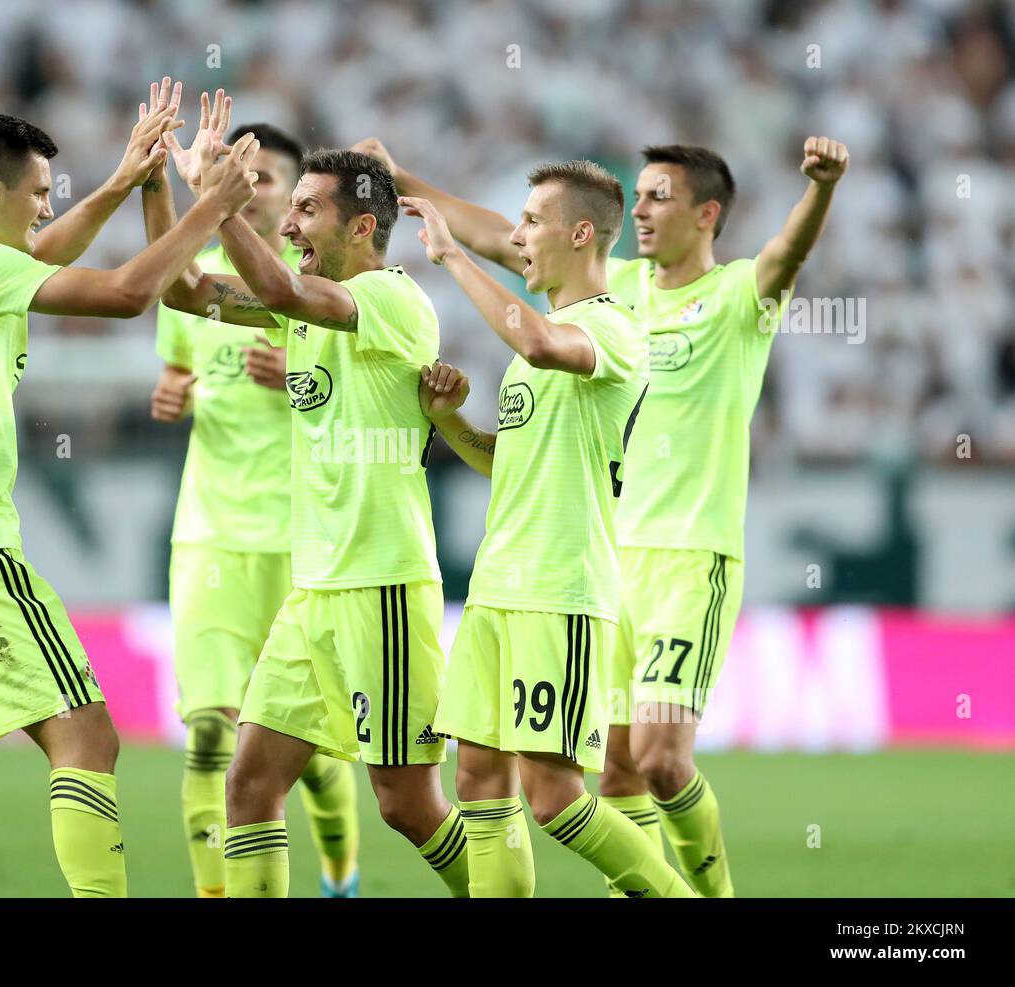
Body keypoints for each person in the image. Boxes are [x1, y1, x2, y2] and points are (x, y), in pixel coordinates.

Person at [355, 133, 849, 897]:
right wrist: (397, 179)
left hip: (682, 553)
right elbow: (506, 237)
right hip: (597, 559)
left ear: (708, 213)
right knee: (573, 770)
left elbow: (787, 253)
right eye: (640, 194)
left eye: (661, 195)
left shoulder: (711, 300)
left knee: (649, 762)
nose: (644, 207)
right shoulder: (615, 287)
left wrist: (819, 188)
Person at [0, 79, 258, 897]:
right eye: (39, 193)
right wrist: (209, 207)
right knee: (88, 737)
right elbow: (127, 293)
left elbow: (39, 257)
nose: (46, 209)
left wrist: (121, 181)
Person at [143, 109, 468, 898]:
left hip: (380, 585)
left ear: (362, 227)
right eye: (289, 209)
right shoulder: (304, 305)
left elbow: (281, 285)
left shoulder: (392, 301)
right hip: (312, 590)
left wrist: (219, 202)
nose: (287, 221)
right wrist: (162, 183)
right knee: (249, 783)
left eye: (306, 209)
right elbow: (185, 291)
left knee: (407, 803)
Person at [401, 163, 691, 897]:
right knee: (477, 780)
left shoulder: (615, 328)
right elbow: (508, 462)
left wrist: (453, 255)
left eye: (532, 220)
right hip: (498, 587)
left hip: (560, 587)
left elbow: (535, 341)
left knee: (555, 796)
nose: (519, 235)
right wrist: (449, 425)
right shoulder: (538, 353)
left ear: (581, 232)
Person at [149, 95, 359, 898]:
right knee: (209, 734)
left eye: (266, 176)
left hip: (305, 544)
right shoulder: (204, 285)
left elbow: (376, 398)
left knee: (305, 756)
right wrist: (174, 392)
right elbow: (178, 357)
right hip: (209, 537)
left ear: (294, 194)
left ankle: (340, 873)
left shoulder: (321, 288)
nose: (254, 185)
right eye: (239, 171)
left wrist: (305, 383)